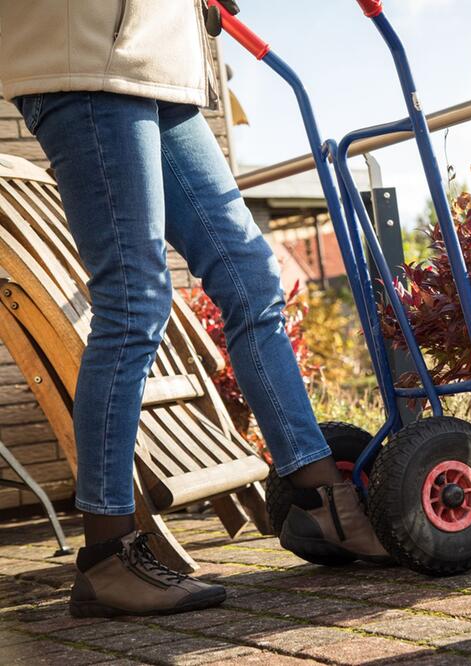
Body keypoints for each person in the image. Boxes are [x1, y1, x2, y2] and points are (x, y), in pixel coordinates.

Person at [0, 0, 387, 618]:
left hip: (162, 66)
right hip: (89, 57)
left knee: (252, 277)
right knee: (134, 299)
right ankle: (107, 556)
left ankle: (322, 502)